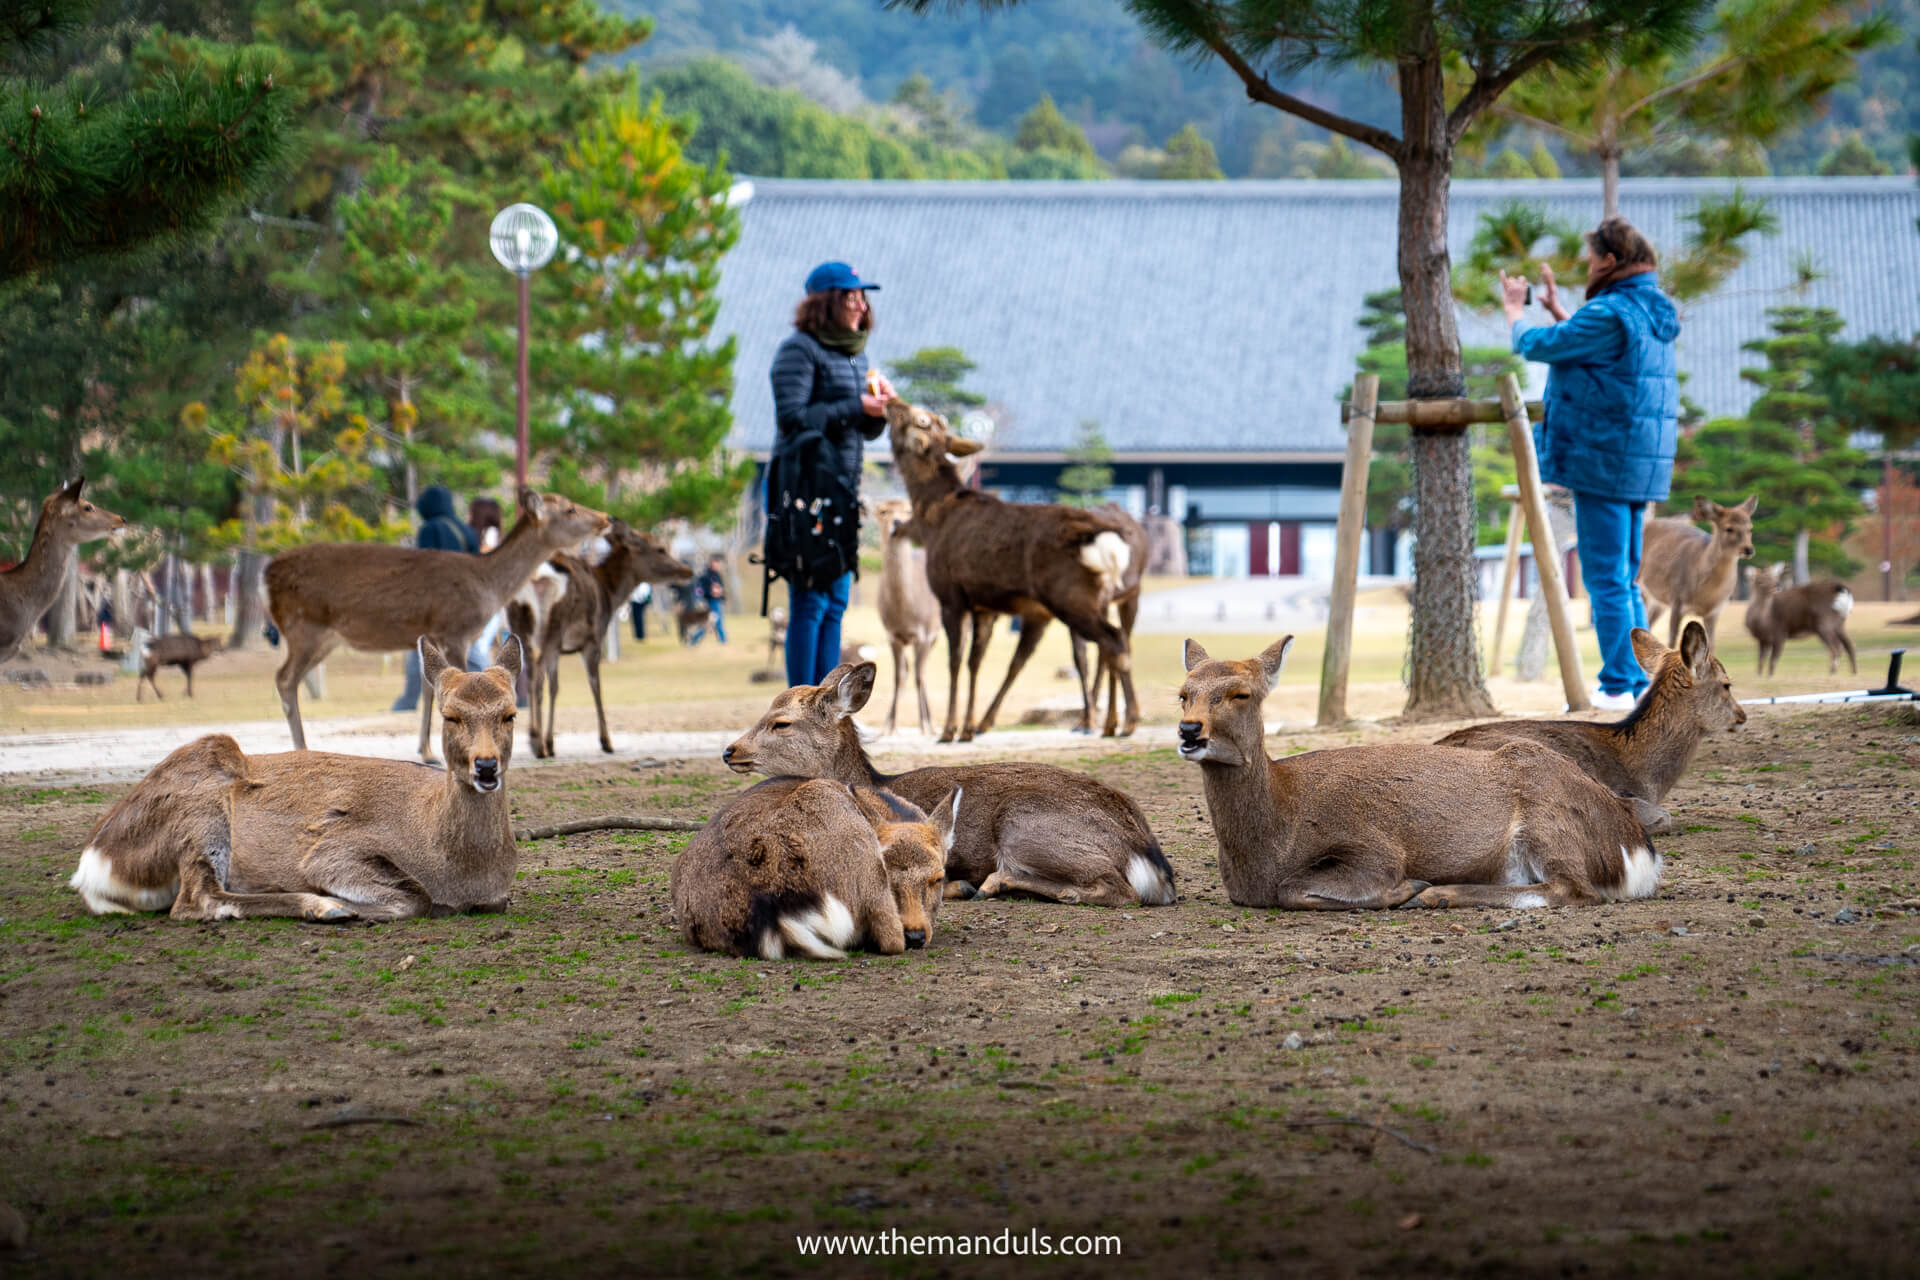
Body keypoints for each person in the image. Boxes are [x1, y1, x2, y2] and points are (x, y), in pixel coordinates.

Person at [1501, 216, 1680, 712]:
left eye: (1591, 259)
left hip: (1604, 460)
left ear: (1610, 260)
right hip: (1638, 461)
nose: (1586, 266)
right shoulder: (1648, 309)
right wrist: (1561, 312)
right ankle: (1644, 680)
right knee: (1624, 577)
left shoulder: (1609, 312)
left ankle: (1619, 684)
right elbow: (1604, 356)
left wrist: (1515, 312)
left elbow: (1538, 346)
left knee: (1604, 578)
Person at [769, 260, 895, 686]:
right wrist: (857, 406)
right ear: (826, 303)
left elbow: (861, 428)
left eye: (863, 297)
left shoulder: (856, 354)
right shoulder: (798, 350)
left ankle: (828, 709)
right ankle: (800, 706)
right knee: (810, 602)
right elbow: (793, 418)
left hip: (842, 491)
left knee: (836, 602)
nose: (861, 305)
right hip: (803, 490)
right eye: (850, 297)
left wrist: (879, 411)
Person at [391, 485, 480, 713]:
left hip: (436, 603)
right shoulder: (467, 531)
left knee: (421, 649)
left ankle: (409, 700)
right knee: (469, 651)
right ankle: (486, 690)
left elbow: (425, 567)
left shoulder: (430, 529)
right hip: (465, 602)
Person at [686, 555, 729, 646]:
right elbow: (699, 590)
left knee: (711, 623)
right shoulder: (705, 575)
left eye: (718, 563)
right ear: (711, 563)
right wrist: (708, 594)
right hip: (709, 602)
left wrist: (721, 595)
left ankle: (694, 638)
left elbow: (721, 588)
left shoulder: (717, 575)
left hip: (717, 601)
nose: (717, 565)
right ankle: (723, 641)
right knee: (715, 621)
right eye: (716, 563)